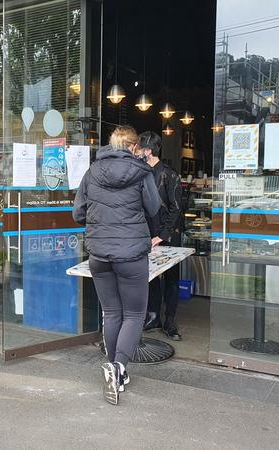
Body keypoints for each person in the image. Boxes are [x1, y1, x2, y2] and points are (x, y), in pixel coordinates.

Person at [72, 125, 161, 404]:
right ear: (135, 147)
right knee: (134, 315)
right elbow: (154, 208)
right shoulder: (141, 172)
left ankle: (114, 370)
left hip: (99, 254)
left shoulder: (92, 172)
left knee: (111, 312)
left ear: (110, 145)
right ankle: (119, 369)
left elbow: (77, 214)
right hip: (132, 253)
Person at [135, 131, 184, 341]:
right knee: (150, 278)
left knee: (171, 279)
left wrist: (161, 235)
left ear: (148, 150)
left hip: (169, 236)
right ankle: (153, 316)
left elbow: (176, 209)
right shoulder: (139, 173)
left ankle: (170, 321)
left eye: (139, 148)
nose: (136, 152)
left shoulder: (170, 175)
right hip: (146, 235)